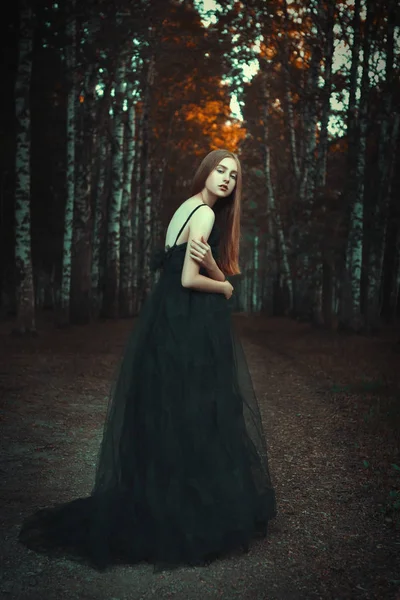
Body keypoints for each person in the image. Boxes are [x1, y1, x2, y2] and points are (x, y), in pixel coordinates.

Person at [19, 149, 276, 573]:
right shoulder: (208, 216)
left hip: (165, 319)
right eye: (221, 170)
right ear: (207, 171)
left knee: (166, 410)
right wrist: (225, 289)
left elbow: (190, 262)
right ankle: (185, 514)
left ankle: (159, 503)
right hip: (188, 324)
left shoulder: (187, 207)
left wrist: (215, 266)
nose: (227, 178)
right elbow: (189, 278)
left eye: (234, 174)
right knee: (196, 411)